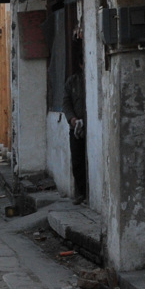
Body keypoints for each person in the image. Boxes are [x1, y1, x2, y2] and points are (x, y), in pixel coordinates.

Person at [63, 51, 86, 204]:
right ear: (80, 64)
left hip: (90, 125)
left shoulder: (91, 79)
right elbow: (66, 102)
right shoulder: (72, 81)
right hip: (76, 127)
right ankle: (81, 192)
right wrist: (72, 119)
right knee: (77, 161)